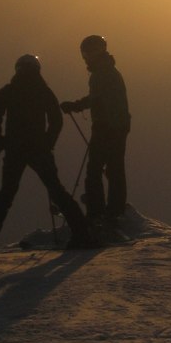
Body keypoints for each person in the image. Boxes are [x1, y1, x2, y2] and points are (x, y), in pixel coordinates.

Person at [0, 54, 98, 256]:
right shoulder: (43, 91)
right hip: (38, 149)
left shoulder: (8, 91)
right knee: (56, 190)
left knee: (6, 194)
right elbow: (56, 120)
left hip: (15, 149)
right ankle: (82, 233)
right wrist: (48, 142)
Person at [60, 35, 131, 231]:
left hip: (107, 127)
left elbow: (96, 99)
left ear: (96, 52)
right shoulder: (108, 71)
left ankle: (97, 212)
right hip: (118, 126)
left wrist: (74, 106)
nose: (85, 58)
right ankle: (113, 211)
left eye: (87, 53)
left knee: (95, 170)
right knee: (114, 168)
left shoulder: (102, 73)